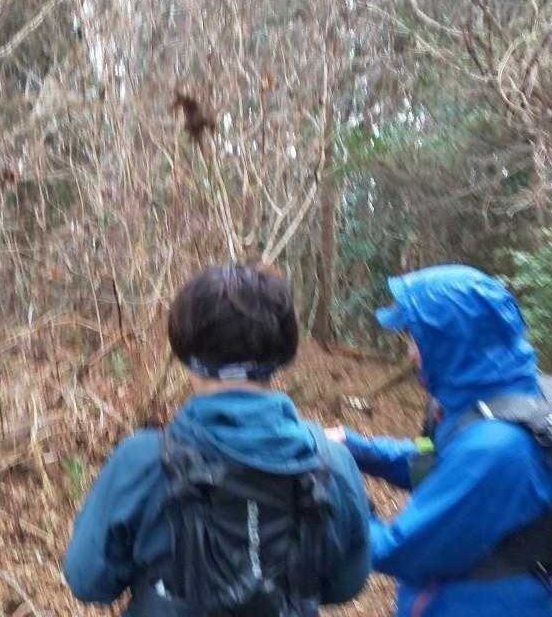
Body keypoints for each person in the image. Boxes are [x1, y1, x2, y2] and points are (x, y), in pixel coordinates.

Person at [63, 264, 371, 615]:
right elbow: (347, 582)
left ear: (186, 350)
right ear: (282, 352)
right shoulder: (332, 462)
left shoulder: (142, 462)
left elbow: (87, 580)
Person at [326, 264, 552, 617]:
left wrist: (343, 497)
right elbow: (436, 463)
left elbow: (397, 550)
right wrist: (358, 449)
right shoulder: (479, 405)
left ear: (452, 341)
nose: (411, 354)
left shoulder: (495, 447)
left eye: (416, 341)